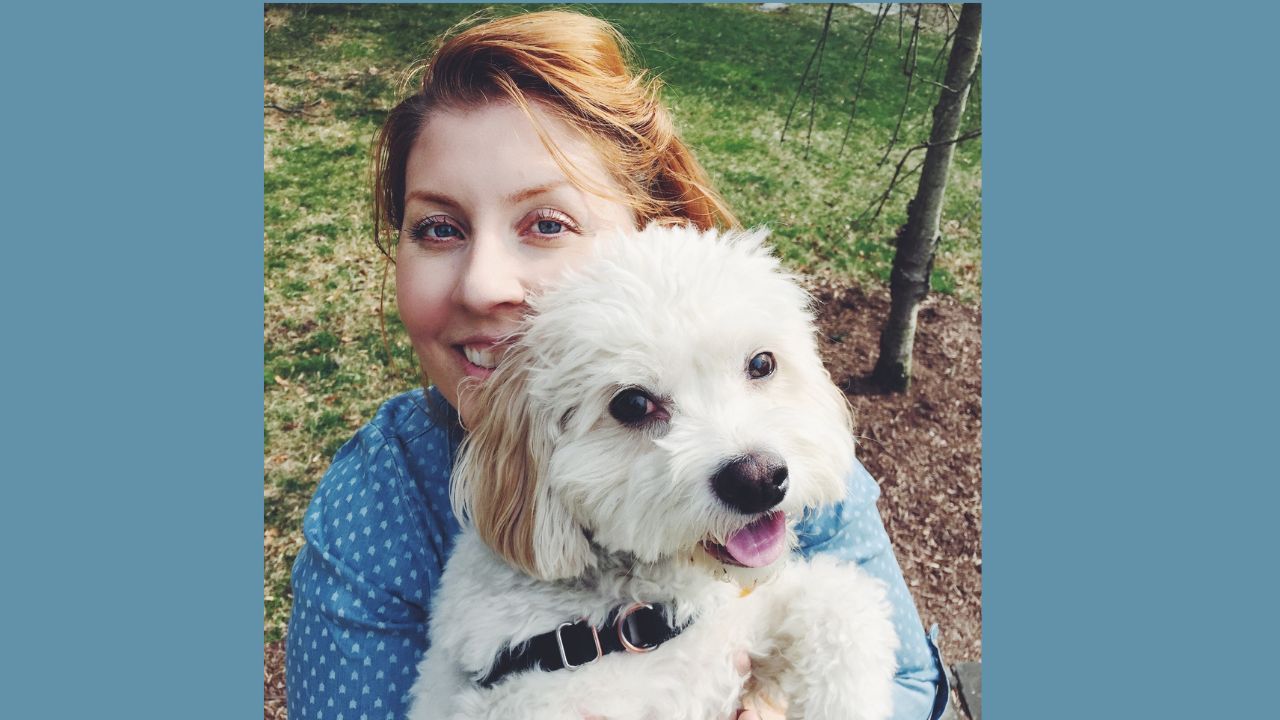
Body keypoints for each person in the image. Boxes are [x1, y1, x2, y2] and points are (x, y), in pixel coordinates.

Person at [285, 9, 948, 720]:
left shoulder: (781, 441)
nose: (482, 284)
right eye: (438, 228)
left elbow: (909, 685)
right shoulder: (379, 504)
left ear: (656, 229)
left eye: (548, 223)